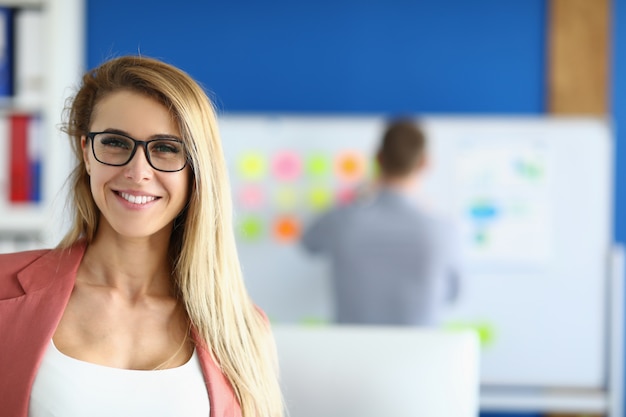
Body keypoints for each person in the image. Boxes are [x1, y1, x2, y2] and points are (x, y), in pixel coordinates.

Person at [0, 56, 283, 417]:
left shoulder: (245, 330)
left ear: (197, 169)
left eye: (166, 148)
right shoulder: (3, 289)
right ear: (87, 153)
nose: (138, 172)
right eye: (116, 142)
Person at [301, 118, 462, 326]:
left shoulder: (342, 221)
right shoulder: (442, 231)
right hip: (419, 354)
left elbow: (307, 242)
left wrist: (357, 196)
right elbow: (453, 294)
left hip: (351, 352)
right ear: (425, 163)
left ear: (378, 159)